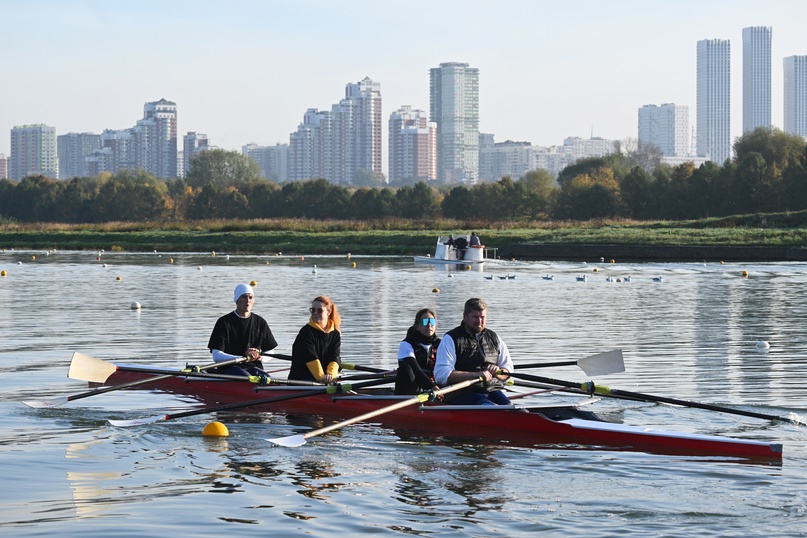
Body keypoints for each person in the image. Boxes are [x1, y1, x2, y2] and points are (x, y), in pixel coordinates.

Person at [433, 298, 513, 405]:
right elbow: (442, 375)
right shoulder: (451, 339)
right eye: (475, 317)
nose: (479, 321)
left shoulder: (494, 338)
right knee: (490, 408)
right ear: (465, 317)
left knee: (511, 408)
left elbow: (508, 370)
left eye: (482, 317)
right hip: (462, 392)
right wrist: (476, 375)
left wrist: (499, 372)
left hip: (491, 389)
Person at [207, 283, 278, 377]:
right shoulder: (224, 322)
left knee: (267, 378)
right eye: (243, 297)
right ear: (236, 300)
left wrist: (260, 357)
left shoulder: (261, 322)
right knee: (247, 377)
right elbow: (216, 356)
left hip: (254, 366)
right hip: (229, 367)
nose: (247, 301)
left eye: (250, 297)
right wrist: (243, 358)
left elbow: (271, 351)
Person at [290, 295, 342, 383]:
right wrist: (321, 378)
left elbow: (334, 357)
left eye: (319, 310)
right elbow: (311, 358)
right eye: (312, 310)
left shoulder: (335, 334)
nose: (315, 313)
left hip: (324, 379)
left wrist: (331, 375)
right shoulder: (306, 332)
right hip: (302, 379)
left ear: (328, 312)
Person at [395, 308, 441, 396]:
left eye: (432, 321)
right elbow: (416, 369)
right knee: (406, 369)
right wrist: (432, 387)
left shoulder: (441, 344)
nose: (429, 325)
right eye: (425, 322)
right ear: (417, 326)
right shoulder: (406, 344)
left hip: (434, 388)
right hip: (411, 389)